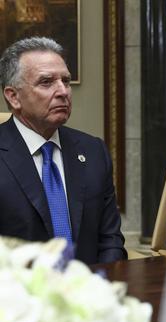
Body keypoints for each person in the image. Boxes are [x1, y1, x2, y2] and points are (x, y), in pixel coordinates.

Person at [0, 37, 127, 263]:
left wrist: (102, 289)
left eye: (66, 81)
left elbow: (110, 242)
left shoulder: (93, 151)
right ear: (13, 96)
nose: (63, 91)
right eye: (46, 82)